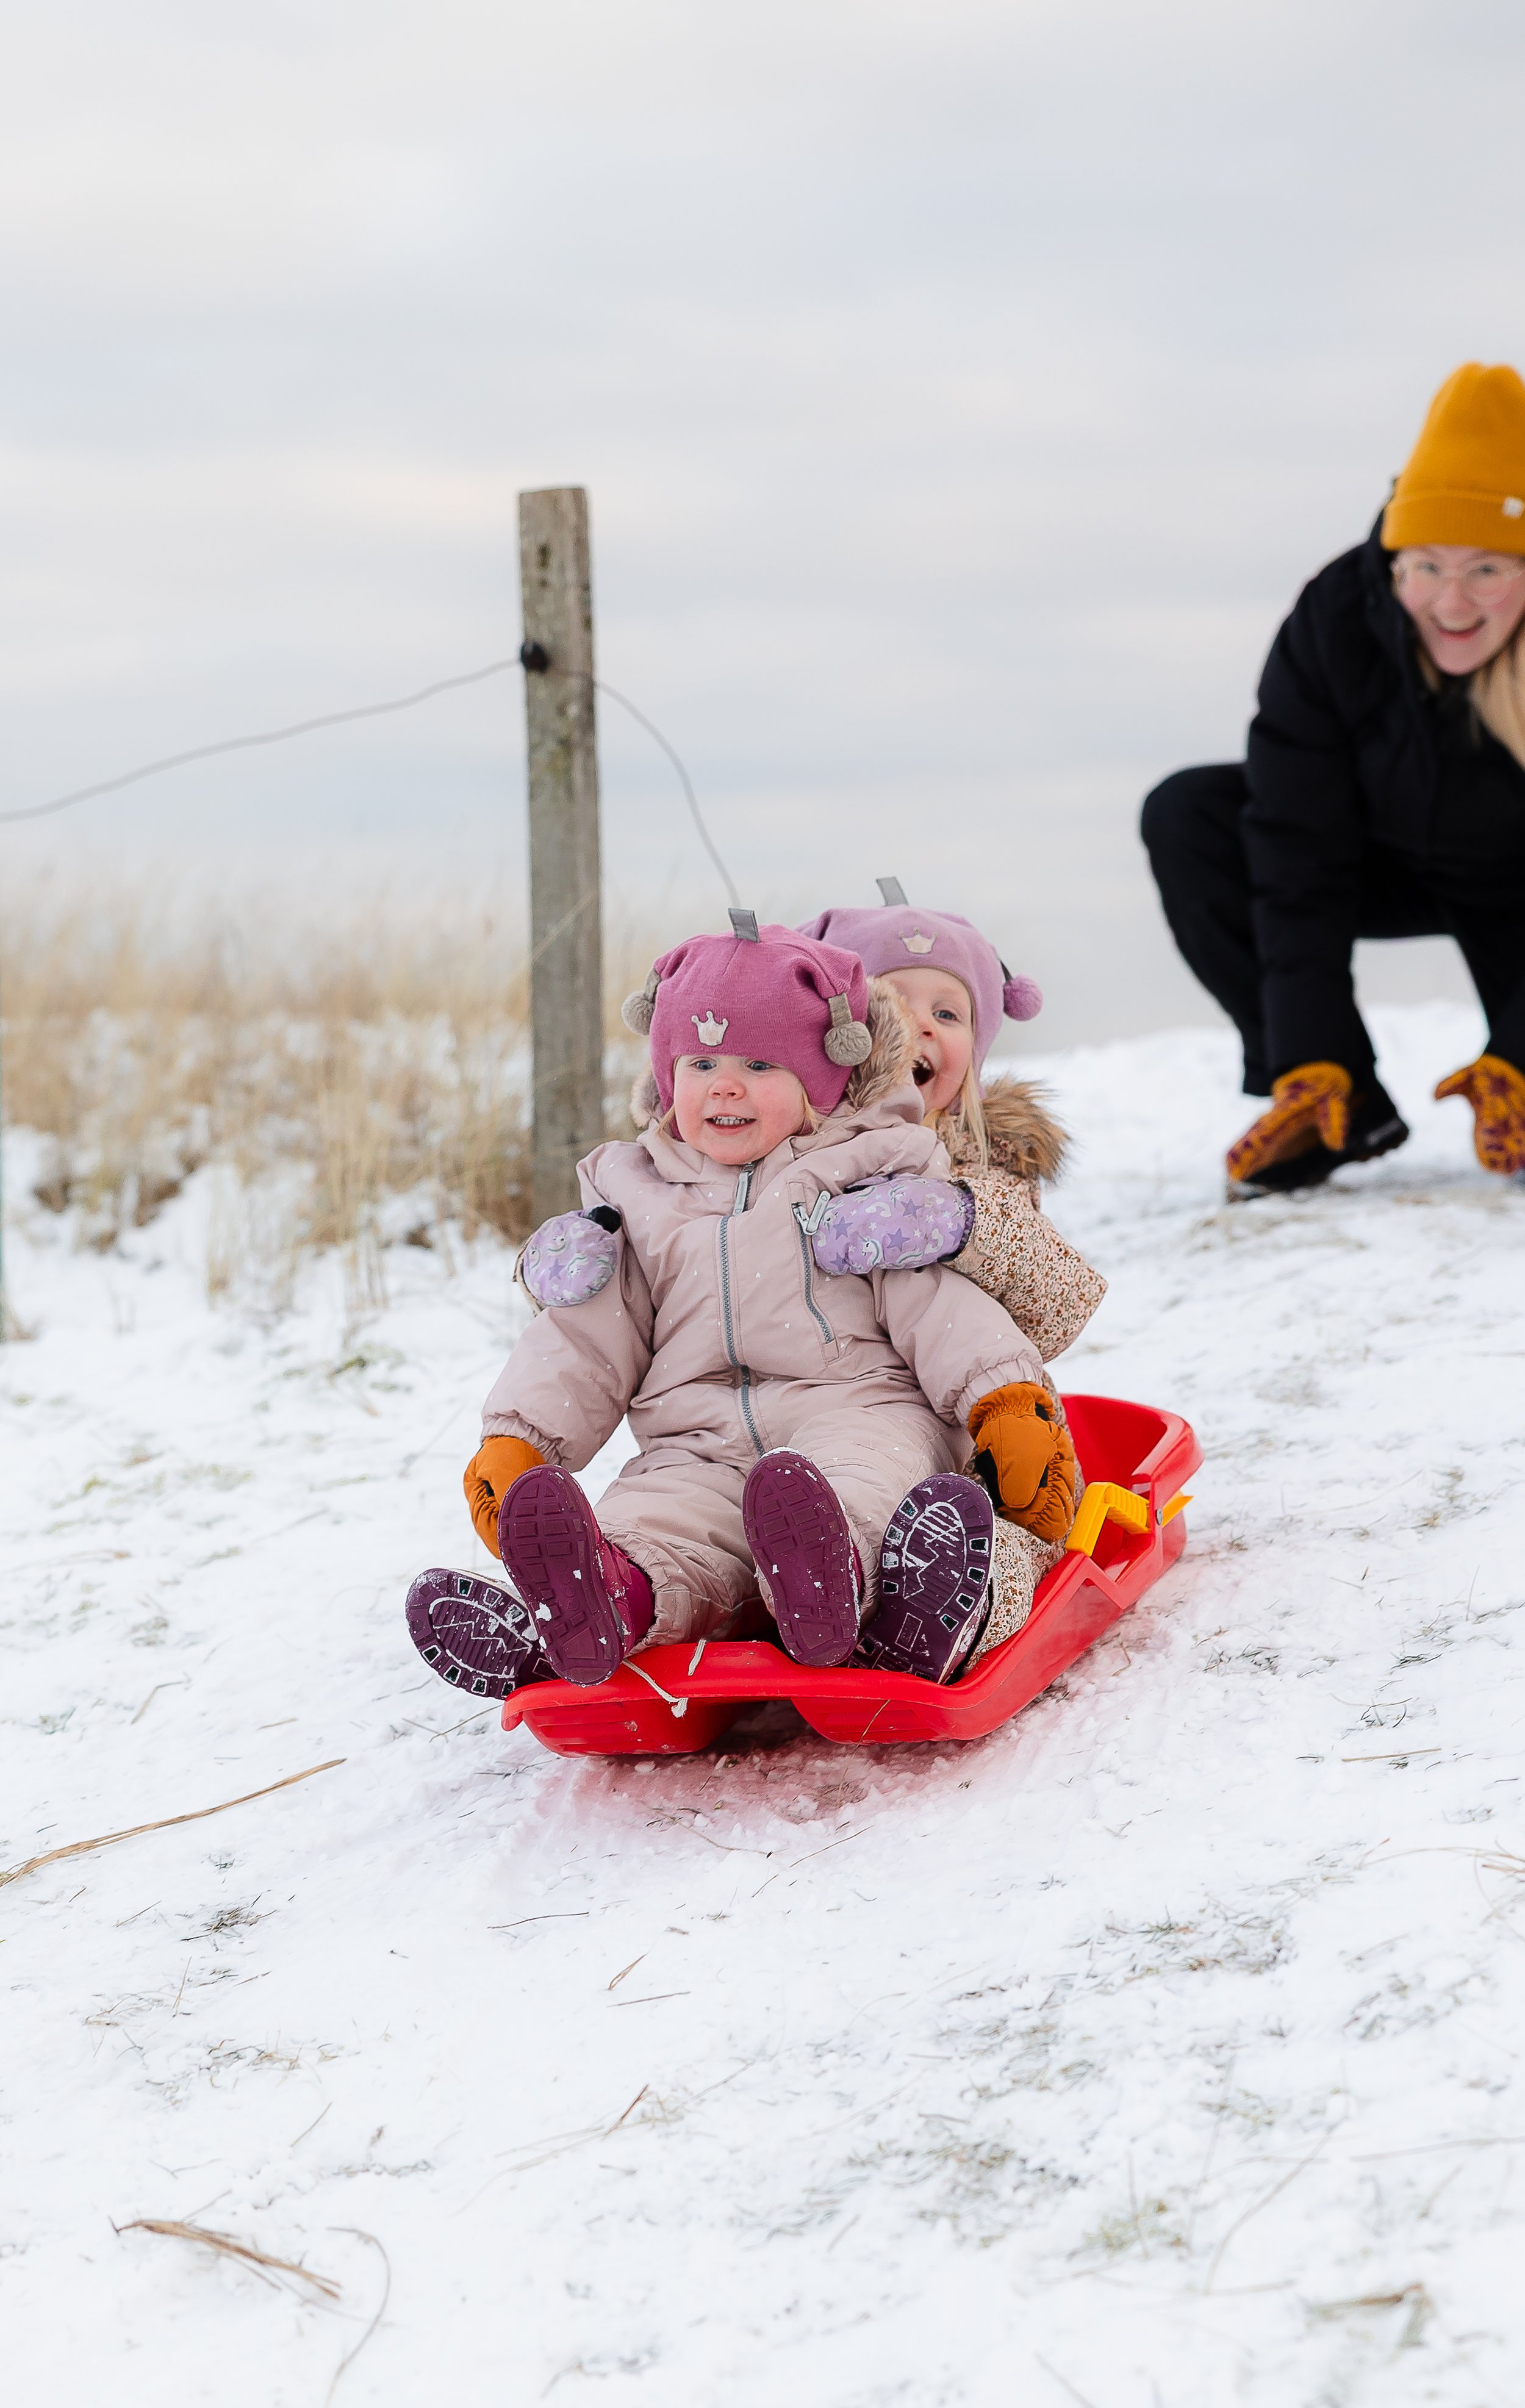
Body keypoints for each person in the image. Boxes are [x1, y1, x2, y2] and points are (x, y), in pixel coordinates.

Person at [404, 921, 1077, 1699]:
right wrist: (519, 1441)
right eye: (700, 1064)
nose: (724, 1085)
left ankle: (838, 1582)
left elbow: (939, 1306)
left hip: (856, 1410)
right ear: (666, 1078)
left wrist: (1004, 1398)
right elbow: (584, 1342)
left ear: (823, 1083)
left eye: (759, 1064)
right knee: (659, 1518)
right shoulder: (635, 1197)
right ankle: (603, 1599)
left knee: (856, 1486)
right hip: (694, 1440)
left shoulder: (869, 1182)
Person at [1142, 361, 1525, 1195]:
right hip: (1375, 856)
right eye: (1426, 565)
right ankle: (1336, 1101)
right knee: (1190, 814)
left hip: (1515, 890)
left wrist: (1517, 1061)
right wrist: (1309, 1051)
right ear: (1392, 559)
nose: (1451, 603)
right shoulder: (1336, 619)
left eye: (1488, 569)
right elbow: (1294, 847)